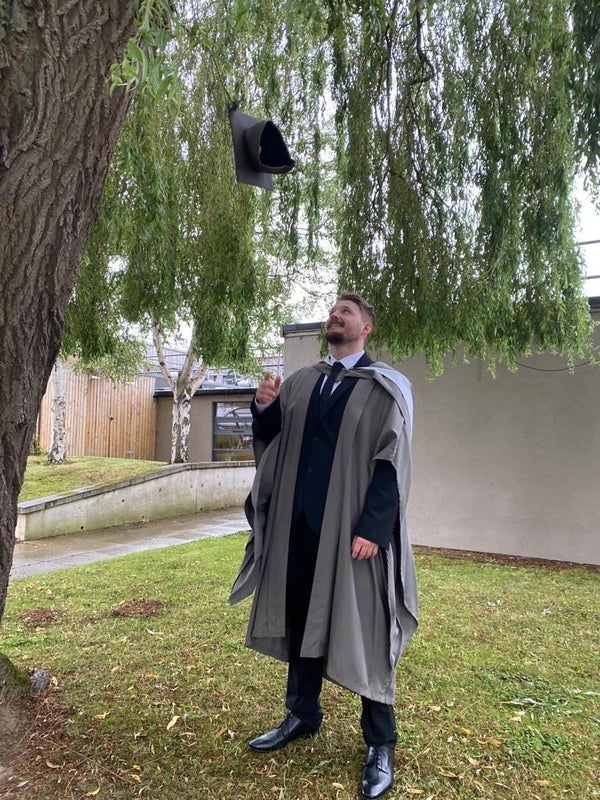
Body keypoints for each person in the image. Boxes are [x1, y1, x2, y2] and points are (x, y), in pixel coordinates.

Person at [230, 292, 418, 800]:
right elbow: (276, 438)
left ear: (366, 328)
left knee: (366, 628)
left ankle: (380, 743)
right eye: (333, 310)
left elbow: (392, 460)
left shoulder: (385, 388)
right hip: (299, 527)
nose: (336, 315)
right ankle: (302, 714)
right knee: (301, 617)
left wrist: (373, 527)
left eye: (347, 311)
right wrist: (263, 408)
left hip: (352, 531)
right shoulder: (302, 381)